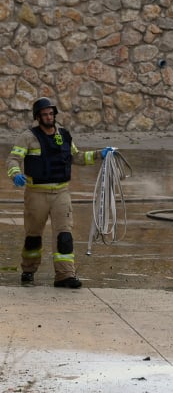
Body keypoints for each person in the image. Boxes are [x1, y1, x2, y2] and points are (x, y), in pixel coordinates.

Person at [6, 97, 114, 289]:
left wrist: (100, 154)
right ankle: (28, 271)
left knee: (64, 235)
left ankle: (65, 275)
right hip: (36, 194)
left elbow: (77, 157)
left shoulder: (64, 135)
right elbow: (13, 159)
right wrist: (15, 174)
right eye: (44, 114)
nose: (48, 117)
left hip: (61, 193)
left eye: (51, 114)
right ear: (38, 117)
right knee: (33, 237)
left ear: (54, 115)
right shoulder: (27, 137)